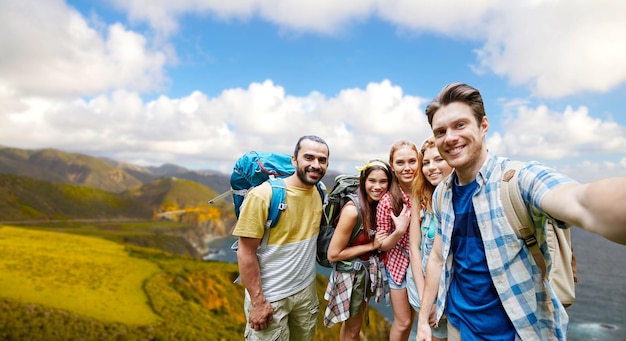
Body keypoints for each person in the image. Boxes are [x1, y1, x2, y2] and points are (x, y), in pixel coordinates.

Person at [416, 83, 626, 341]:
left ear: (483, 126)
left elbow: (581, 200)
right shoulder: (442, 194)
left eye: (460, 125)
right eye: (440, 131)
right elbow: (437, 257)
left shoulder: (518, 180)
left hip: (520, 331)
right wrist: (424, 319)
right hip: (458, 327)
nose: (449, 137)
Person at [233, 135, 329, 341]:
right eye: (309, 158)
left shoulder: (320, 192)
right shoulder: (263, 195)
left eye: (322, 160)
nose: (315, 165)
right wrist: (258, 302)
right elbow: (245, 252)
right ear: (294, 160)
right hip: (271, 298)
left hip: (305, 294)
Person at [323, 159, 393, 340]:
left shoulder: (376, 205)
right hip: (351, 276)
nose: (377, 187)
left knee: (351, 325)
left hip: (362, 273)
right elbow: (333, 254)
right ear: (363, 182)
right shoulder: (352, 211)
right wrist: (372, 245)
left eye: (383, 181)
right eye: (372, 181)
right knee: (354, 329)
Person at [406, 137, 452, 341]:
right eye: (425, 162)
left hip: (451, 290)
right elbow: (414, 249)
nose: (431, 168)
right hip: (422, 283)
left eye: (438, 160)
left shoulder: (461, 198)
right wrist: (428, 300)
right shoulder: (420, 196)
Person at [377, 140, 415, 341]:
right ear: (392, 166)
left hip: (421, 265)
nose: (407, 167)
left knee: (414, 317)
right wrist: (398, 231)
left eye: (412, 161)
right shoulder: (388, 200)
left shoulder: (426, 192)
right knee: (403, 322)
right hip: (398, 266)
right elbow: (381, 244)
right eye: (400, 163)